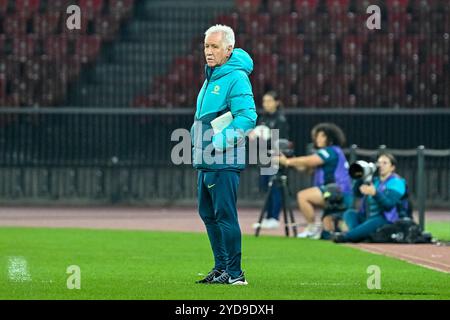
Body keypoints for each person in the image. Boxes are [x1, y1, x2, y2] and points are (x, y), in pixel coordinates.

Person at [190, 25, 257, 285]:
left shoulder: (236, 77)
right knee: (208, 214)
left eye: (214, 46)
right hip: (206, 159)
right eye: (206, 46)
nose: (208, 51)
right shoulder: (213, 76)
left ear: (229, 49)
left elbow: (248, 117)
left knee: (224, 215)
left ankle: (235, 273)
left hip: (224, 160)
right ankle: (221, 269)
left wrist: (219, 142)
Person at [277, 123, 352, 239]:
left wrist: (287, 162)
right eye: (317, 136)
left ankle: (311, 228)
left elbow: (310, 161)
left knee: (303, 196)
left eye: (321, 136)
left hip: (337, 192)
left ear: (330, 138)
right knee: (328, 233)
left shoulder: (329, 151)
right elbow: (305, 167)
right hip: (336, 193)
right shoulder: (332, 152)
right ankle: (341, 226)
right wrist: (290, 160)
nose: (318, 138)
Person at [332, 153, 407, 243]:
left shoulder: (397, 182)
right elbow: (357, 194)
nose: (380, 166)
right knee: (350, 213)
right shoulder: (375, 180)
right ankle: (357, 235)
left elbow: (389, 205)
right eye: (379, 163)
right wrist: (360, 176)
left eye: (385, 163)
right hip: (369, 217)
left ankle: (347, 236)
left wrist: (375, 193)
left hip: (386, 219)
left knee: (375, 221)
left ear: (392, 167)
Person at [249, 91, 289, 229]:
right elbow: (256, 136)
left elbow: (280, 141)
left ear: (276, 102)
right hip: (263, 156)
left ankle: (274, 217)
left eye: (269, 101)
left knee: (275, 186)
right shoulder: (262, 118)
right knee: (265, 186)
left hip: (275, 157)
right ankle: (267, 216)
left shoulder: (280, 120)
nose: (266, 104)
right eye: (264, 101)